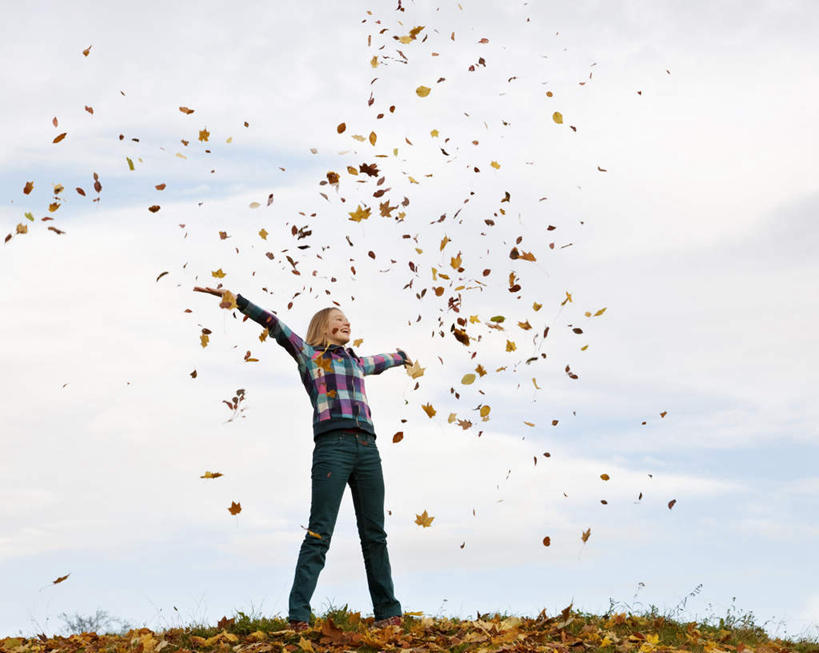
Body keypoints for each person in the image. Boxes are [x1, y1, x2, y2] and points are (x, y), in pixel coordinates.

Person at [201, 287, 412, 631]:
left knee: (375, 534)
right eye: (339, 319)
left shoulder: (356, 362)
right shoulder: (309, 355)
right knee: (319, 533)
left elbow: (381, 362)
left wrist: (401, 356)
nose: (346, 323)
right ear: (323, 327)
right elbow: (274, 324)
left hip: (367, 449)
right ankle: (299, 615)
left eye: (348, 319)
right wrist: (238, 300)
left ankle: (388, 613)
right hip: (333, 448)